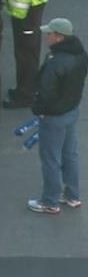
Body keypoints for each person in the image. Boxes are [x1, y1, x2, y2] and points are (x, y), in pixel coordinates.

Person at [27, 13, 85, 213]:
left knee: (50, 159)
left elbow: (46, 91)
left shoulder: (56, 62)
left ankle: (50, 201)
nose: (46, 36)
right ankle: (72, 195)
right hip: (71, 110)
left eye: (49, 33)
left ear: (59, 37)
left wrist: (40, 110)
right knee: (70, 154)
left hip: (54, 116)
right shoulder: (80, 54)